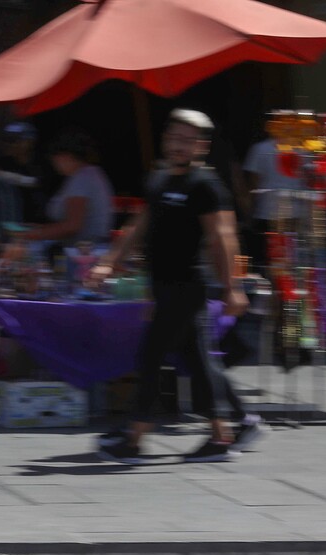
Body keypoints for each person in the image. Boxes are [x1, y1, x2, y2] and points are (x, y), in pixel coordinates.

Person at [87, 109, 256, 464]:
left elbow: (222, 237)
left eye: (187, 140)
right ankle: (221, 434)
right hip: (161, 285)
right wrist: (109, 260)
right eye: (173, 138)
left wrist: (232, 287)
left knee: (150, 357)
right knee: (198, 361)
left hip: (187, 285)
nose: (178, 145)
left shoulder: (206, 186)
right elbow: (139, 225)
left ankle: (134, 438)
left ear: (202, 146)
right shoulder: (160, 179)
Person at [23, 129, 113, 245]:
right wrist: (39, 228)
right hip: (90, 248)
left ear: (65, 156)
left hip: (84, 253)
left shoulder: (81, 178)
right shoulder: (91, 173)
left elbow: (73, 226)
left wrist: (34, 234)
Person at [242, 131, 305, 275]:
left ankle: (269, 293)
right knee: (287, 262)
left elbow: (253, 184)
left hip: (266, 212)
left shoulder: (260, 149)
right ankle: (283, 292)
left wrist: (248, 213)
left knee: (265, 262)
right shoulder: (301, 149)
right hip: (293, 214)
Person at [0, 122, 46, 223]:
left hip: (36, 220)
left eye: (14, 140)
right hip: (8, 218)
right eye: (6, 140)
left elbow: (35, 182)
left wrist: (0, 174)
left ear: (29, 142)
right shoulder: (3, 162)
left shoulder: (41, 162)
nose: (9, 144)